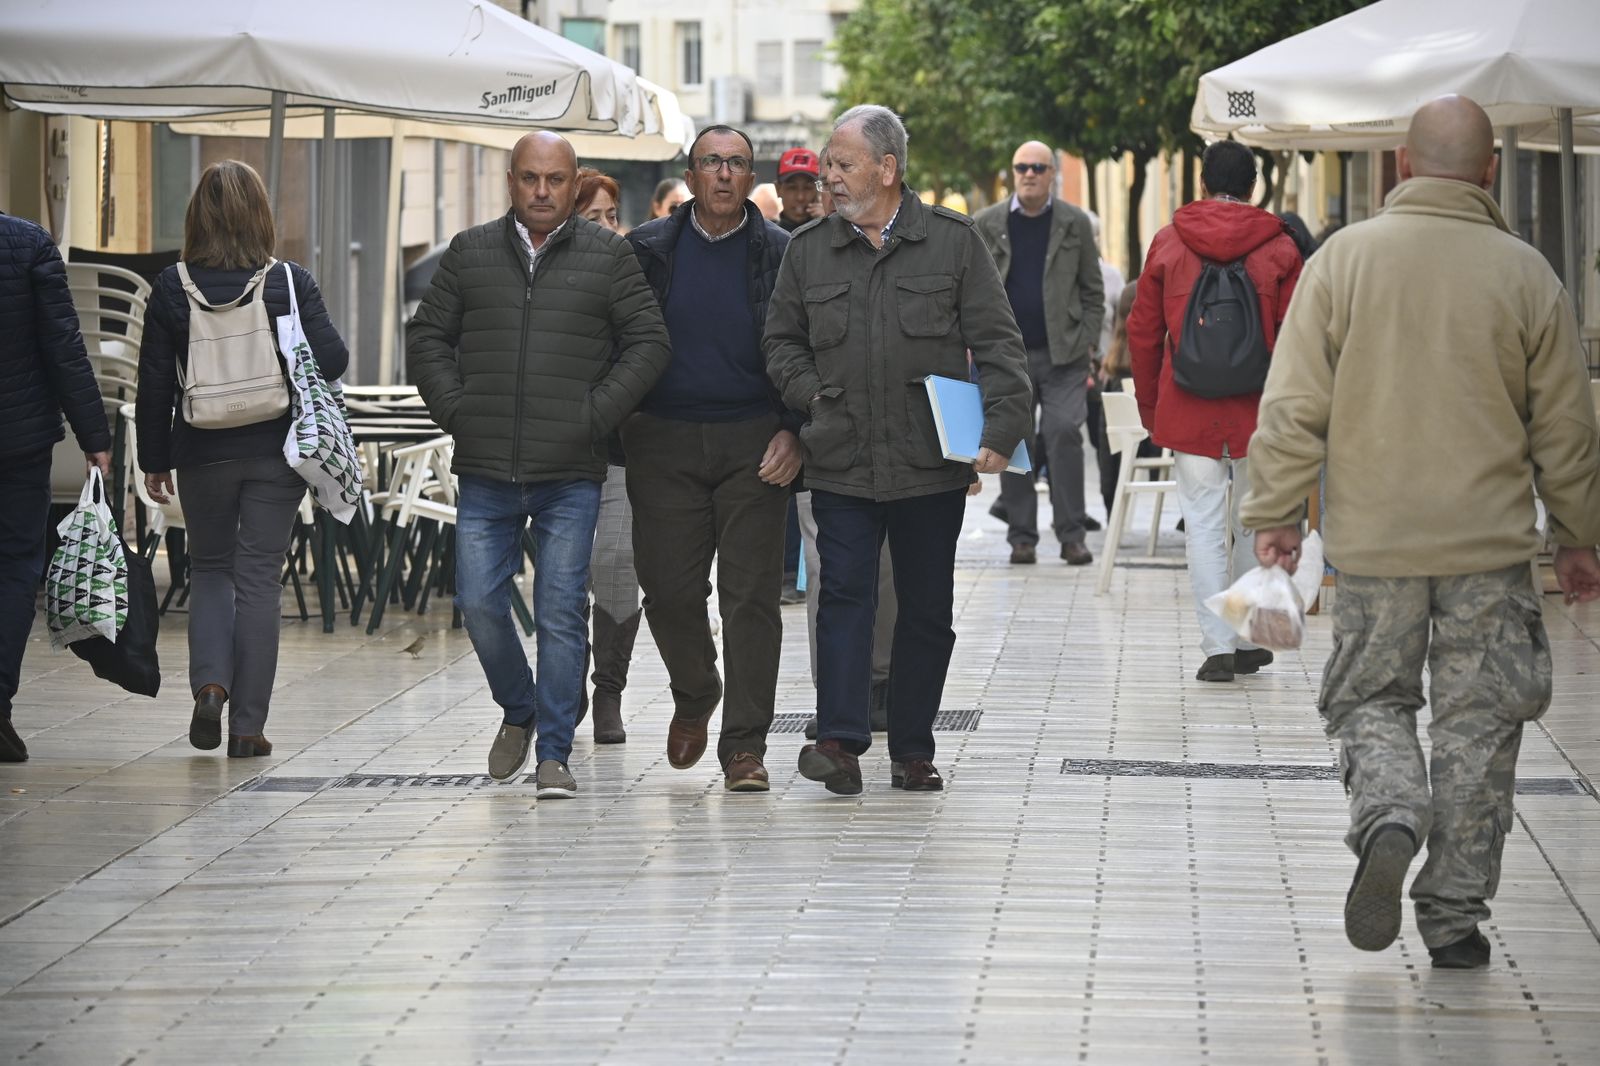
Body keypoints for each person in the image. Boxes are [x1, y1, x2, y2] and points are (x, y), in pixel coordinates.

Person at [1242, 95, 1600, 970]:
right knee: (1481, 729)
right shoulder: (1528, 276)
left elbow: (1293, 405)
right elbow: (1567, 427)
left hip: (1376, 547)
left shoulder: (1343, 264)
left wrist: (1277, 513)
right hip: (1490, 553)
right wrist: (1580, 536)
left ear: (1403, 165)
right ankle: (1453, 917)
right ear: (1490, 172)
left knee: (1369, 699)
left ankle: (1392, 812)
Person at [765, 104, 1032, 796]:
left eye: (843, 164)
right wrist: (813, 398)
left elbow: (999, 343)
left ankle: (913, 747)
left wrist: (1000, 431)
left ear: (887, 169)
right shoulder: (809, 250)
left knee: (925, 610)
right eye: (829, 164)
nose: (829, 177)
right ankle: (840, 741)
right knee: (844, 597)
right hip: (841, 457)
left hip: (926, 464)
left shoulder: (952, 242)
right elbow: (780, 342)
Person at [408, 132, 670, 797]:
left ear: (573, 180)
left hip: (569, 471)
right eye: (530, 178)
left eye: (555, 179)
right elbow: (428, 336)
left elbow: (648, 342)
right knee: (477, 600)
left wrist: (594, 414)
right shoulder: (470, 253)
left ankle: (553, 753)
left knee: (558, 612)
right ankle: (520, 708)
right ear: (511, 180)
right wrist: (457, 409)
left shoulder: (608, 257)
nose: (543, 191)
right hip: (488, 465)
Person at [136, 160, 347, 759]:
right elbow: (333, 361)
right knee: (258, 579)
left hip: (201, 452)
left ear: (196, 217)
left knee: (209, 571)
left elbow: (154, 384)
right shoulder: (287, 282)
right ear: (261, 215)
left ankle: (209, 685)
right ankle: (248, 728)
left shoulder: (172, 287)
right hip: (276, 454)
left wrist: (155, 458)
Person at [624, 124, 801, 794]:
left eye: (736, 163)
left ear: (750, 175)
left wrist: (795, 430)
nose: (723, 174)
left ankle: (745, 746)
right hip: (661, 439)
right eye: (710, 163)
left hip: (755, 439)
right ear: (691, 174)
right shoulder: (646, 251)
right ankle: (696, 689)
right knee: (667, 590)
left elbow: (803, 349)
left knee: (751, 596)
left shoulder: (781, 254)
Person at [1126, 140, 1302, 682]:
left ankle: (1218, 647)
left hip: (1188, 404)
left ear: (1201, 182)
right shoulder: (1281, 249)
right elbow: (1299, 337)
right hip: (1261, 411)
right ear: (1255, 185)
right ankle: (1251, 637)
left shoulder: (1168, 243)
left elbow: (1142, 331)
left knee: (1202, 524)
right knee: (1254, 521)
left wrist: (1152, 409)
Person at [0, 212, 113, 763]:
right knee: (16, 568)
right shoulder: (27, 243)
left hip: (19, 443)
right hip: (17, 445)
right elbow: (64, 346)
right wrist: (95, 436)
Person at [974, 141, 1104, 566]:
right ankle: (1022, 537)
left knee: (1065, 431)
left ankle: (1071, 534)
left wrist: (1087, 340)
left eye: (1038, 167)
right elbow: (971, 288)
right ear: (1013, 173)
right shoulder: (987, 223)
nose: (1029, 174)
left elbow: (1093, 290)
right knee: (1014, 440)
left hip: (1064, 355)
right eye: (1021, 167)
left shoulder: (1074, 223)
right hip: (1007, 357)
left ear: (1052, 174)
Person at [574, 167, 637, 745]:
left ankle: (608, 690)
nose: (608, 229)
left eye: (612, 217)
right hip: (560, 453)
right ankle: (567, 680)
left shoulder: (633, 274)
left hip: (620, 450)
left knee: (617, 566)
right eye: (593, 218)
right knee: (566, 576)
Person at [774, 147, 822, 232]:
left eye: (808, 188)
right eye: (792, 188)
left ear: (819, 189)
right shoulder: (766, 238)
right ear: (778, 189)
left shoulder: (833, 232)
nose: (800, 197)